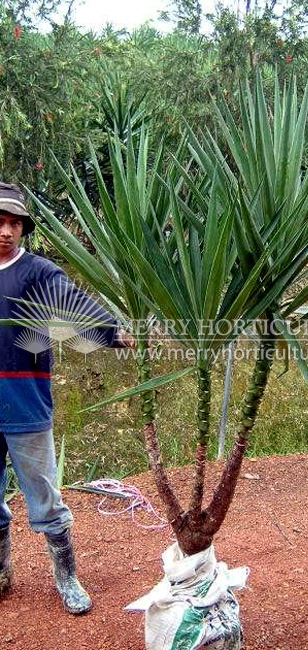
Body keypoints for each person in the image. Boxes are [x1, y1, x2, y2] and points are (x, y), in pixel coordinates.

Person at [0, 182, 133, 614]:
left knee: (43, 493)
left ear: (23, 229)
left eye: (14, 223)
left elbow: (71, 305)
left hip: (25, 400)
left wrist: (113, 332)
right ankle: (3, 572)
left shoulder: (38, 272)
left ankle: (67, 577)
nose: (5, 231)